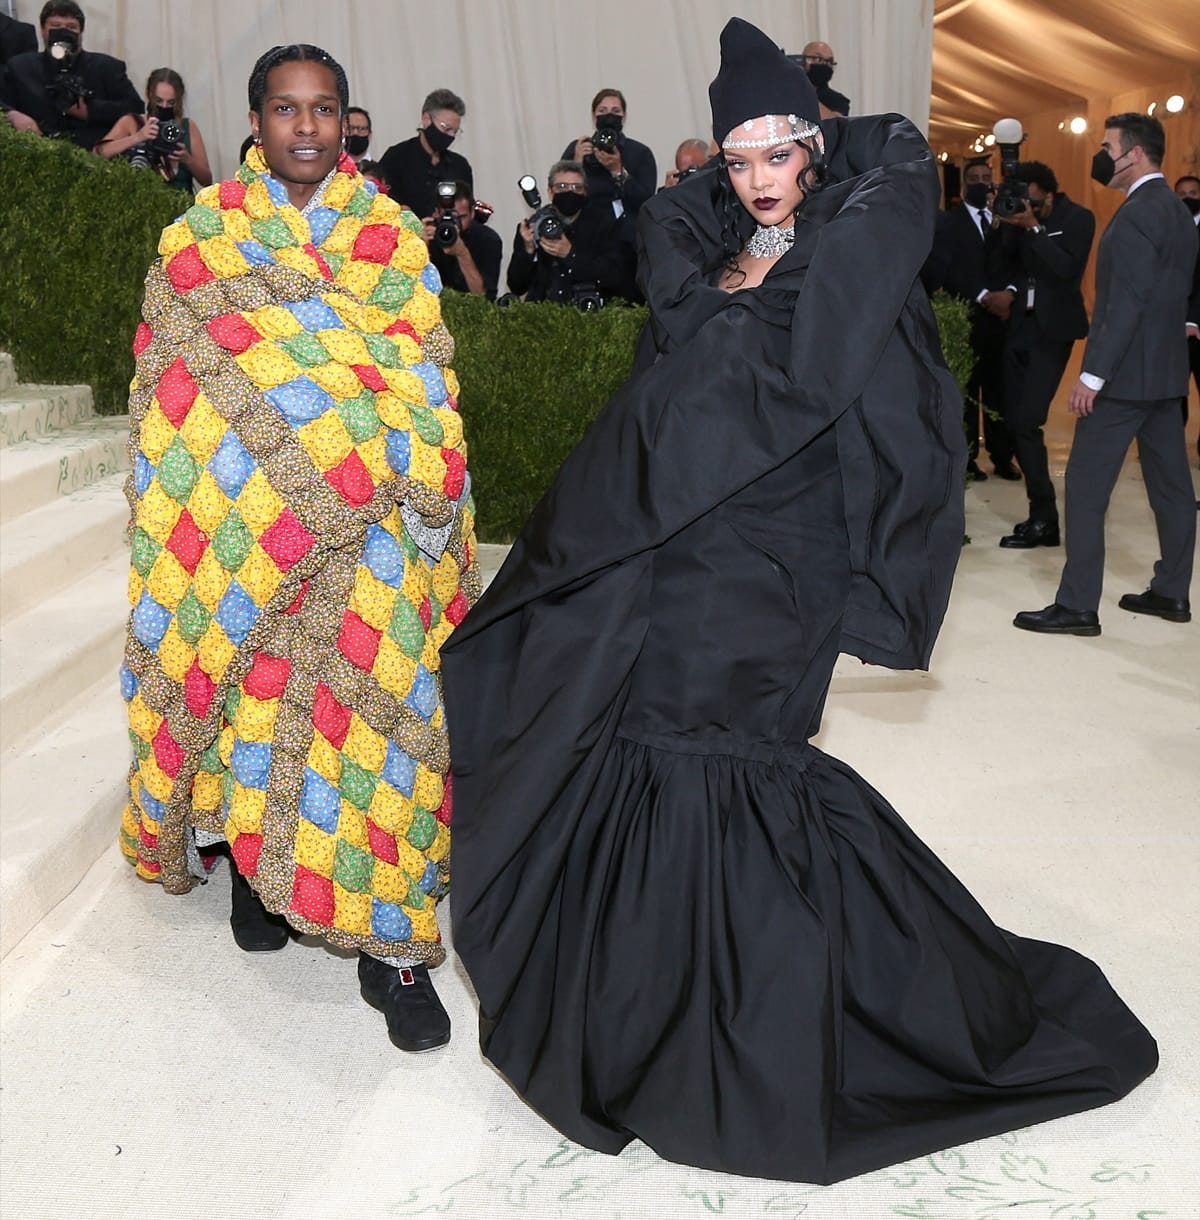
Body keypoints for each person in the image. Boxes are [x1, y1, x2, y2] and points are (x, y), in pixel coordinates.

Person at [441, 17, 1156, 1186]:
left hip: (780, 560)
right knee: (655, 745)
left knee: (741, 760)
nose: (764, 180)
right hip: (679, 543)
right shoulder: (704, 238)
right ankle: (652, 1009)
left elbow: (875, 216)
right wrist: (727, 197)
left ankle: (767, 1016)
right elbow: (665, 236)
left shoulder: (854, 238)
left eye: (782, 153)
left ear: (815, 147)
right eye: (739, 158)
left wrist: (833, 132)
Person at [119, 43, 479, 1054]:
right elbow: (173, 383)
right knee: (252, 693)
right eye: (287, 110)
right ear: (256, 120)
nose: (308, 128)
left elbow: (420, 369)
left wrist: (414, 473)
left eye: (324, 109)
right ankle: (251, 864)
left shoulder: (390, 235)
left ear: (349, 121)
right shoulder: (203, 235)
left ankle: (394, 948)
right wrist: (232, 490)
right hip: (246, 535)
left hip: (374, 533)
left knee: (384, 718)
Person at [1015, 115, 1197, 635]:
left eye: (1107, 147)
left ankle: (1077, 605)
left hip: (1124, 379)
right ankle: (1171, 592)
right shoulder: (1178, 211)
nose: (1101, 155)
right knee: (1172, 488)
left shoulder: (1139, 213)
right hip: (1165, 374)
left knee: (1087, 488)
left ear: (1134, 154)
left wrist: (1093, 376)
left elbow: (1126, 303)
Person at [993, 161, 1094, 548]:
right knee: (1017, 422)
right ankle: (1042, 517)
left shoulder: (1078, 218)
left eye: (1033, 198)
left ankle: (1045, 518)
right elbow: (1005, 266)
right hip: (1019, 326)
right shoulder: (1019, 215)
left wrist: (1033, 227)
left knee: (1027, 422)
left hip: (1054, 332)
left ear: (1048, 195)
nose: (1027, 203)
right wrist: (1003, 224)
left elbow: (1066, 269)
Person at [927, 156, 1020, 480]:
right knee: (965, 392)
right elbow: (947, 268)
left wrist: (1007, 292)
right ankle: (967, 458)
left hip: (1003, 320)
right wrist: (983, 295)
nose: (982, 183)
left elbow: (1017, 263)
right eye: (975, 178)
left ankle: (1002, 455)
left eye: (986, 177)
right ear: (965, 184)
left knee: (1001, 391)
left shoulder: (1007, 219)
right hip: (966, 318)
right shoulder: (948, 223)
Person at [0, 0, 141, 149]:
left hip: (94, 158)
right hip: (36, 155)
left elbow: (135, 108)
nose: (63, 33)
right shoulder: (20, 67)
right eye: (55, 26)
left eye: (71, 27)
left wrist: (90, 111)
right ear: (42, 30)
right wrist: (12, 115)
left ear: (81, 32)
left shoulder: (107, 67)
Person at [505, 160, 625, 306]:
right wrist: (528, 251)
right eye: (562, 187)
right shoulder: (533, 226)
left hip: (589, 314)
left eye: (577, 187)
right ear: (550, 192)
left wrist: (570, 255)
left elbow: (614, 277)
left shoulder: (603, 225)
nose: (569, 192)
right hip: (541, 316)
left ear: (585, 192)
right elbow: (517, 286)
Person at [97, 67, 212, 195]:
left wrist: (188, 160)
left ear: (179, 100)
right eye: (159, 101)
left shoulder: (187, 126)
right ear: (149, 95)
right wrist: (138, 137)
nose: (164, 106)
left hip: (181, 205)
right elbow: (97, 154)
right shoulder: (131, 122)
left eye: (171, 102)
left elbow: (207, 180)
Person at [377, 88, 472, 221]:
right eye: (446, 128)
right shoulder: (396, 157)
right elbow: (381, 205)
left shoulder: (460, 166)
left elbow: (466, 209)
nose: (450, 136)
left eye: (455, 132)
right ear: (426, 119)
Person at [563, 88, 657, 221]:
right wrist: (577, 163)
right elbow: (562, 198)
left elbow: (646, 202)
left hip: (626, 232)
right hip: (585, 227)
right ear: (593, 116)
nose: (609, 116)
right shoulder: (577, 148)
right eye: (602, 111)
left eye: (615, 111)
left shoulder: (640, 152)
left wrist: (618, 171)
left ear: (624, 117)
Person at [424, 179, 502, 299]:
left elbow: (483, 298)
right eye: (448, 217)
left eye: (461, 217)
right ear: (436, 213)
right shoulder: (428, 235)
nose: (455, 224)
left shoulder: (487, 239)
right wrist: (419, 248)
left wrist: (462, 253)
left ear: (472, 213)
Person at [1175, 174, 1200, 451]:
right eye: (1182, 194)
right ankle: (1169, 448)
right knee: (1173, 392)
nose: (1188, 198)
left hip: (1197, 326)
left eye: (1193, 192)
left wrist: (1193, 318)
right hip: (1172, 326)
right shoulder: (1170, 227)